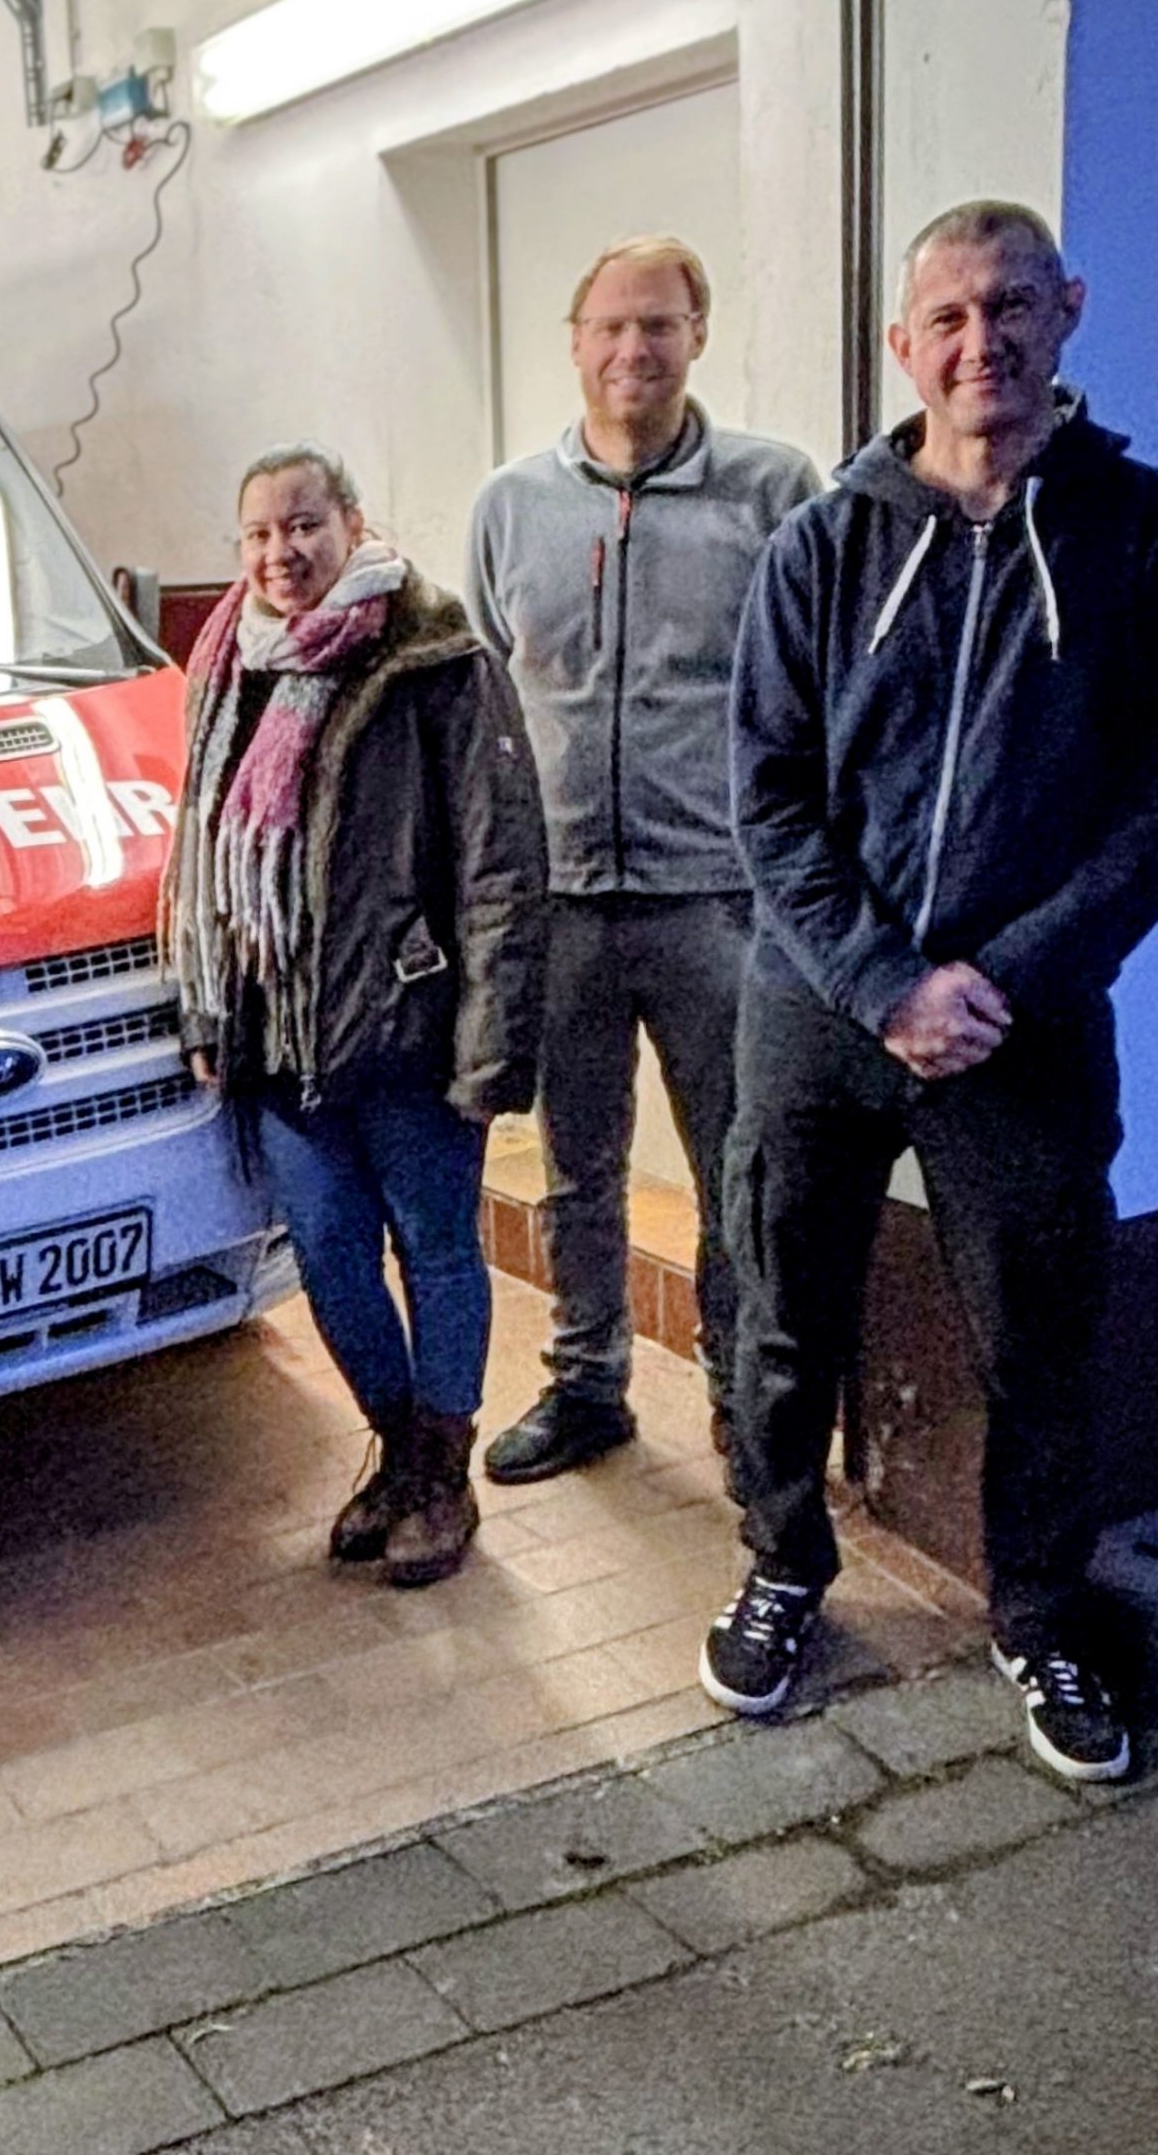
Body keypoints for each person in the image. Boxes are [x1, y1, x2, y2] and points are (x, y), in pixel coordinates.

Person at [705, 202, 1158, 1783]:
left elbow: (1153, 808)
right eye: (951, 317)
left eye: (1016, 306)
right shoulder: (824, 544)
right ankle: (783, 1562)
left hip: (1025, 1031)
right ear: (905, 346)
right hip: (822, 1012)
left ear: (1071, 309)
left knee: (1044, 1336)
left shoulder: (1136, 534)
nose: (987, 343)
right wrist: (888, 979)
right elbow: (766, 801)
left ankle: (1040, 1613)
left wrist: (1007, 980)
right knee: (782, 1313)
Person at [467, 235, 823, 1488]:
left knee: (741, 1163)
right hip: (558, 901)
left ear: (698, 333)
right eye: (611, 326)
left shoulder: (774, 492)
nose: (634, 349)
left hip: (718, 902)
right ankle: (586, 1384)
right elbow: (488, 709)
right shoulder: (510, 505)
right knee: (577, 1164)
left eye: (659, 325)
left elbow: (816, 695)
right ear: (573, 341)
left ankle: (741, 1399)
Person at [167, 444, 547, 1587]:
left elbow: (498, 861)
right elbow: (198, 851)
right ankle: (397, 1448)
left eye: (304, 526)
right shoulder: (226, 664)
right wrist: (204, 1001)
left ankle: (443, 1473)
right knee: (330, 1256)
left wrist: (490, 1043)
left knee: (434, 1249)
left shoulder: (432, 654)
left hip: (408, 1028)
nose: (282, 553)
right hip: (280, 1033)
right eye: (260, 534)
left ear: (352, 524)